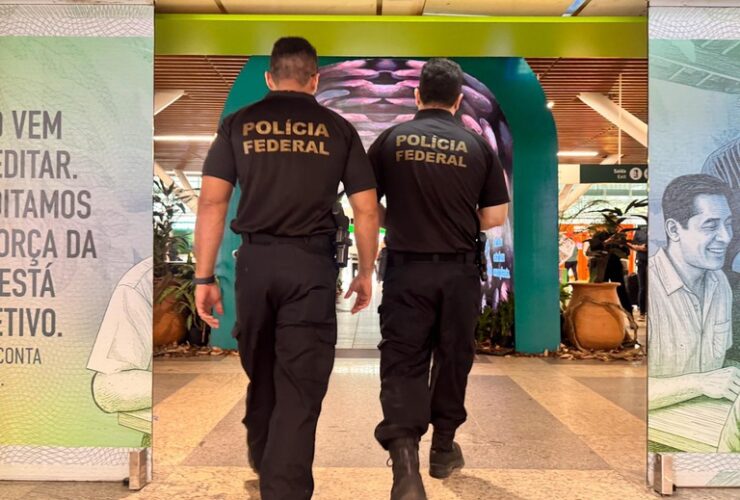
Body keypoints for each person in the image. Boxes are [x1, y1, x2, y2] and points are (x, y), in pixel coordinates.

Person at [193, 37, 379, 500]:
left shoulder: (238, 124)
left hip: (255, 266)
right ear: (314, 79)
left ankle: (264, 454)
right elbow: (366, 209)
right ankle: (283, 486)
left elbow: (212, 202)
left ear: (269, 77)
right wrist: (365, 271)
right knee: (300, 382)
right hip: (310, 269)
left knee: (262, 369)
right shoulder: (338, 129)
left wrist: (204, 277)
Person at [367, 58, 509, 499]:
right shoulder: (477, 145)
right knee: (453, 357)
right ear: (459, 100)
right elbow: (494, 216)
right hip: (458, 272)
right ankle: (443, 450)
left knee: (402, 359)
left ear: (417, 95)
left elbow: (366, 207)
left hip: (406, 270)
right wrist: (454, 220)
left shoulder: (390, 140)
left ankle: (406, 470)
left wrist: (399, 220)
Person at [648, 174, 740, 410]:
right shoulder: (649, 287)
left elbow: (721, 363)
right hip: (658, 422)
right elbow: (630, 384)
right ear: (674, 230)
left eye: (728, 224)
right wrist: (698, 383)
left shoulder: (720, 283)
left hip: (711, 415)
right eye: (711, 226)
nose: (726, 237)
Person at [629, 225, 648, 317]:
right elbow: (632, 245)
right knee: (642, 287)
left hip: (656, 261)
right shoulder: (639, 230)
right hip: (642, 261)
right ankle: (642, 311)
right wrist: (640, 248)